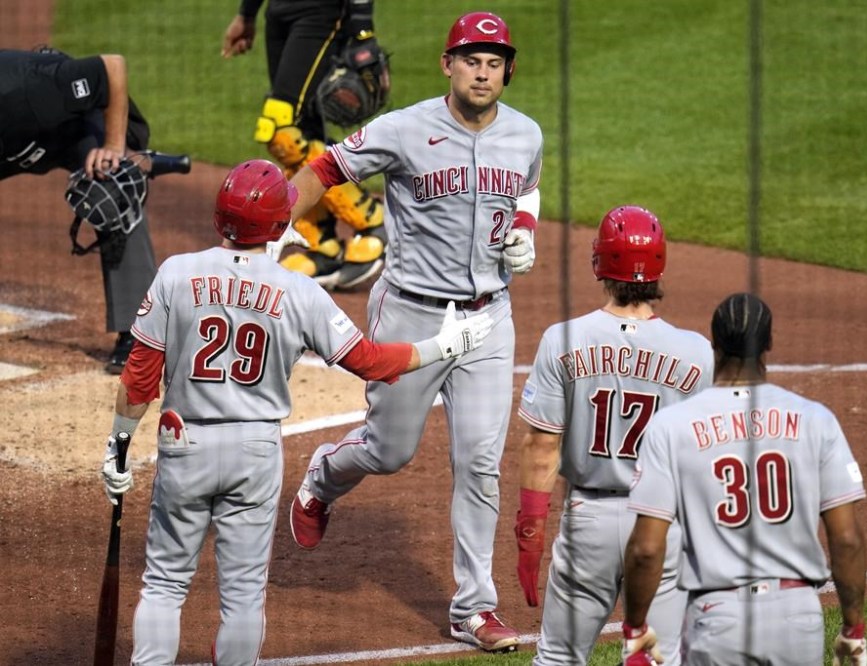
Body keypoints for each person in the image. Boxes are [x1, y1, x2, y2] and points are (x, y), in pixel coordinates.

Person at [98, 159, 494, 665]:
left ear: (220, 216)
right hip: (256, 451)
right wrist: (444, 344)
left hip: (185, 444)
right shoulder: (299, 291)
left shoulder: (176, 273)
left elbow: (139, 376)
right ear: (282, 225)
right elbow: (370, 363)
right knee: (243, 595)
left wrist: (118, 448)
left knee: (165, 582)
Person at [283, 11, 543, 653]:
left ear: (506, 70)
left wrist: (526, 235)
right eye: (471, 59)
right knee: (389, 450)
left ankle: (474, 609)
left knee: (480, 464)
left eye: (494, 62)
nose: (482, 72)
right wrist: (268, 237)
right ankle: (322, 478)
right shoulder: (404, 129)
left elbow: (529, 189)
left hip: (489, 319)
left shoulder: (526, 134)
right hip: (411, 314)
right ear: (447, 65)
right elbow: (322, 171)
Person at [621, 293, 867, 666]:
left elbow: (645, 549)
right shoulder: (815, 419)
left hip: (718, 617)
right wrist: (854, 629)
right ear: (768, 343)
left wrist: (635, 628)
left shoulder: (673, 426)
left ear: (714, 344)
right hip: (797, 618)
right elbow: (846, 539)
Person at [514, 206, 713, 666]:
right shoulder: (697, 353)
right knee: (658, 658)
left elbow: (542, 446)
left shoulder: (563, 339)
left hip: (589, 521)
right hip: (661, 522)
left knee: (559, 658)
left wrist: (530, 532)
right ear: (659, 266)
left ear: (599, 263)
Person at [0, 46, 190, 373]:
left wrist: (114, 147)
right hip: (15, 142)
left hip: (80, 126)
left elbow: (111, 67)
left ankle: (140, 332)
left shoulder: (29, 90)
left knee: (112, 186)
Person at [222, 0, 391, 289]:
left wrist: (363, 30)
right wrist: (247, 13)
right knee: (302, 127)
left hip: (321, 11)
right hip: (278, 13)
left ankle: (374, 223)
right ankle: (323, 247)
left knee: (281, 130)